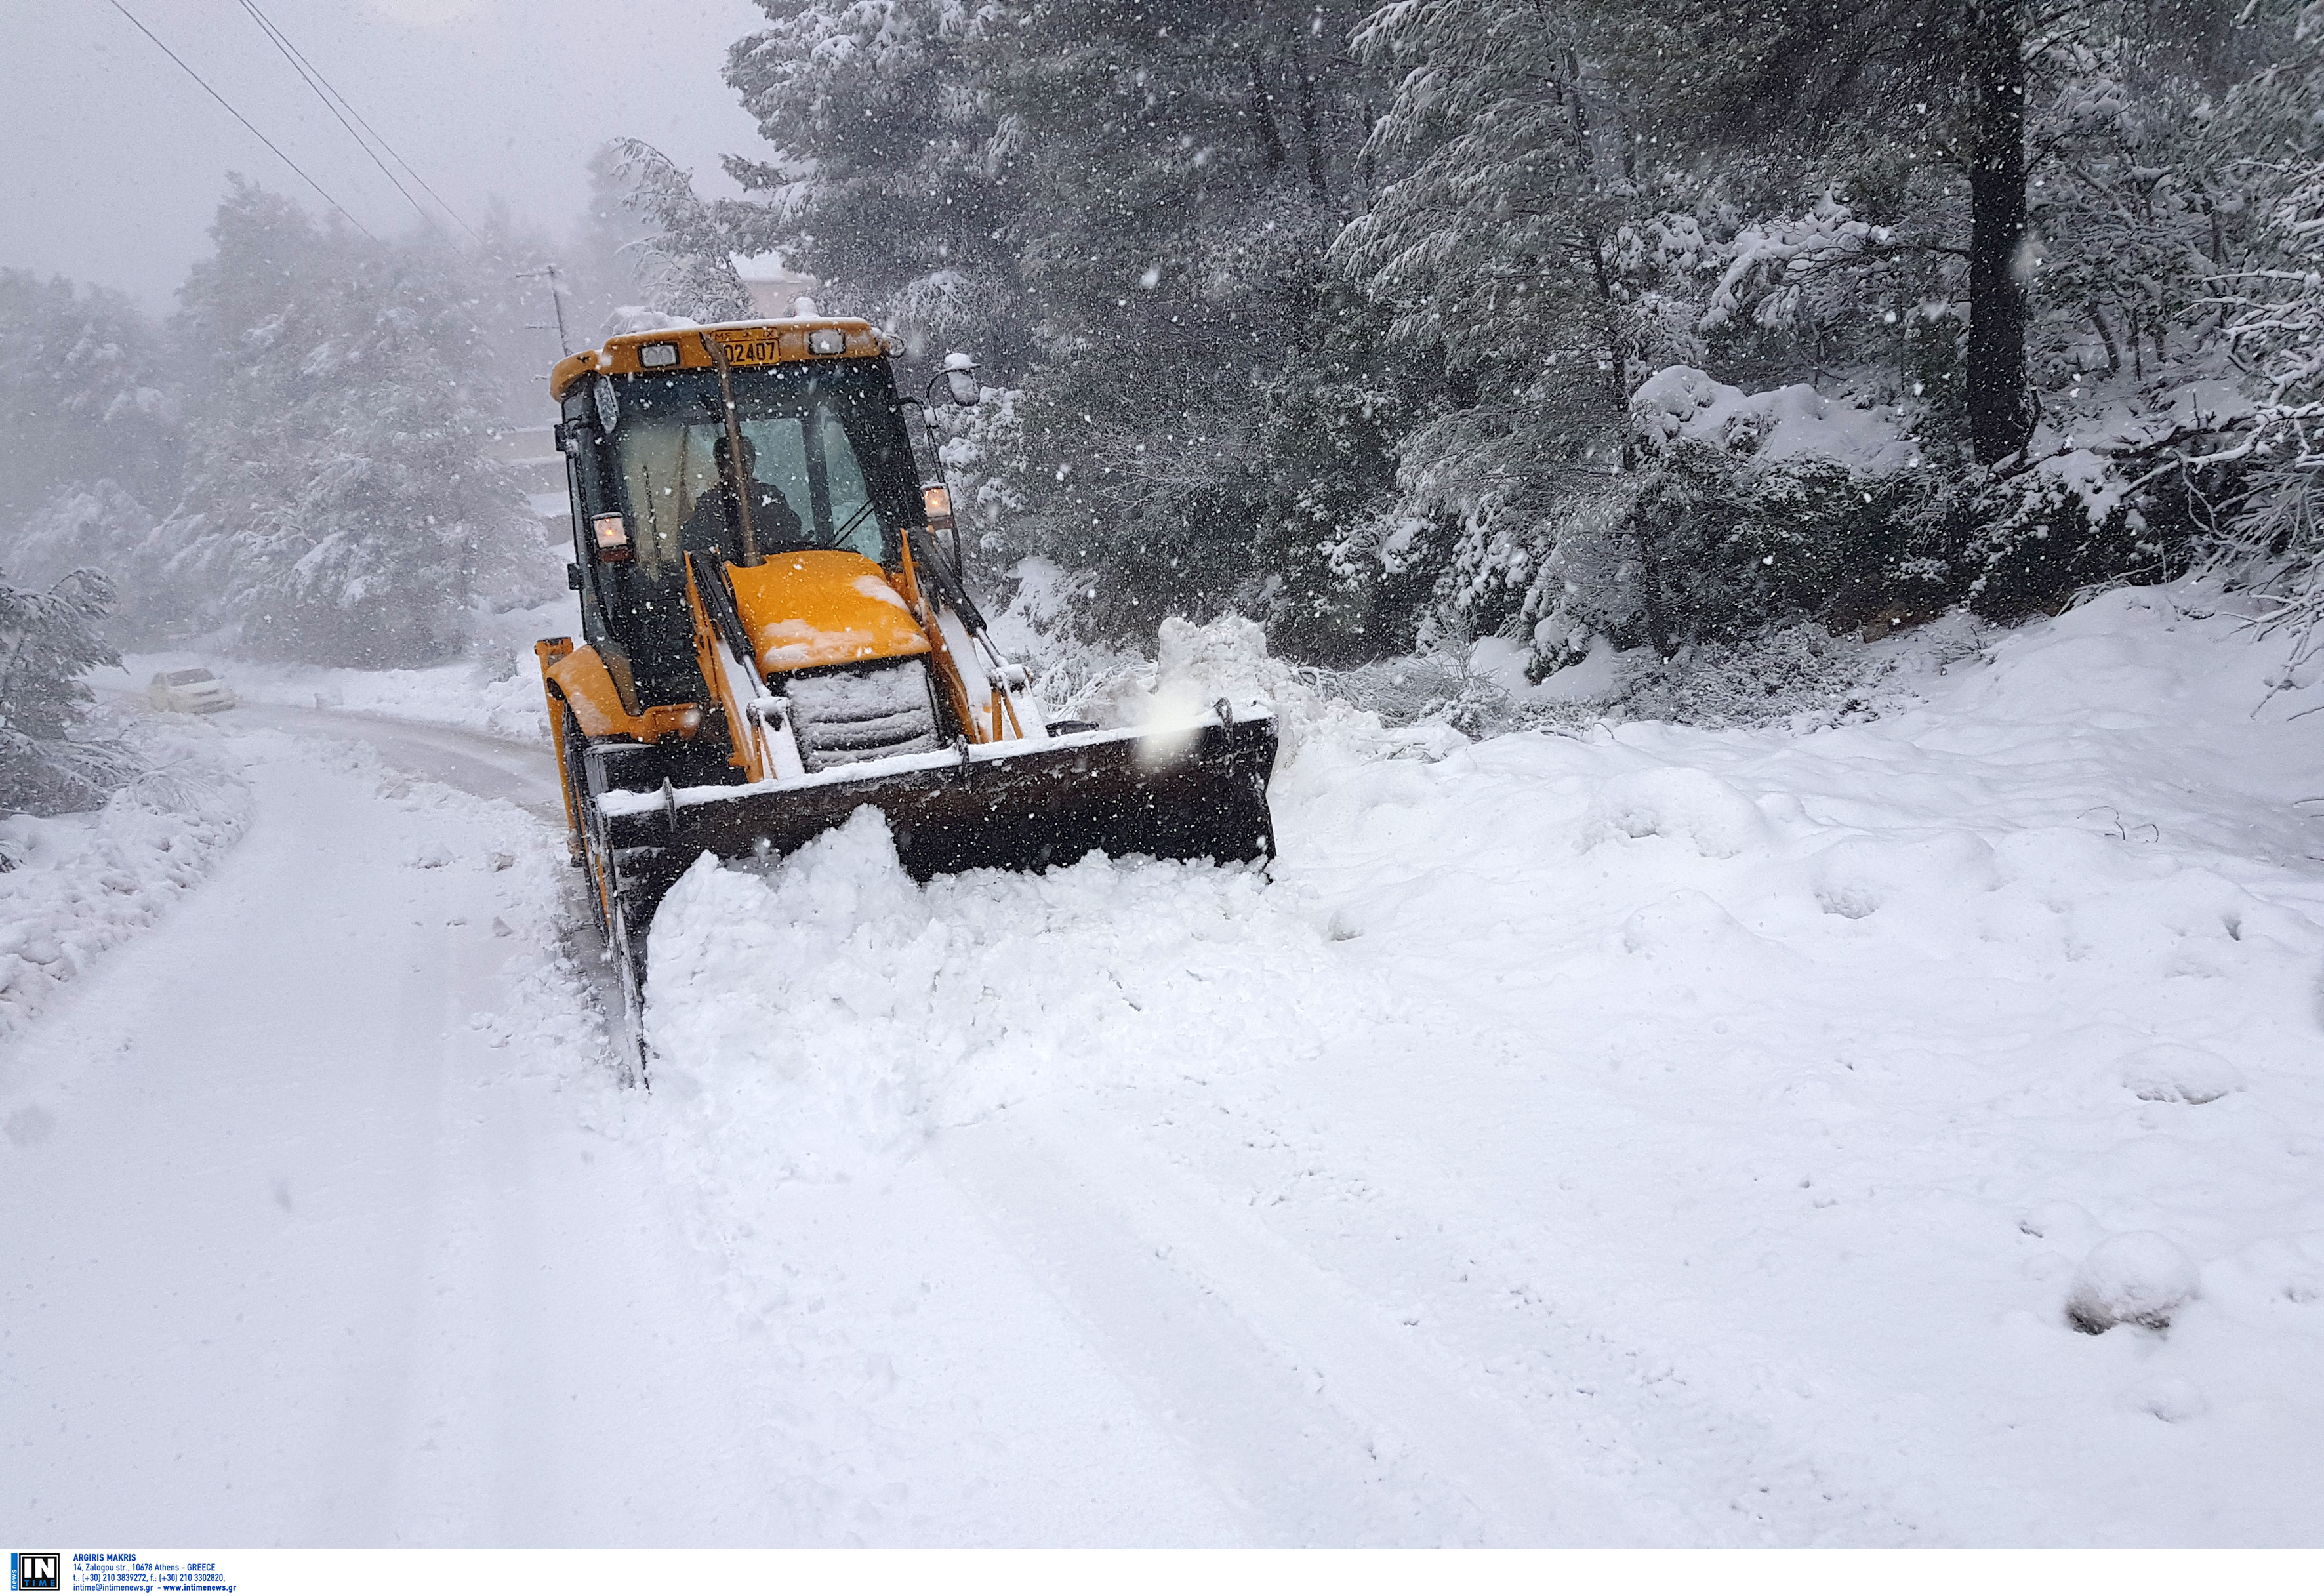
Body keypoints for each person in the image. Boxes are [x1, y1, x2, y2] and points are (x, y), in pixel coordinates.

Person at [680, 434, 812, 561]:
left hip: (776, 573)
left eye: (743, 462)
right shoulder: (708, 505)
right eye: (726, 463)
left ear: (752, 464)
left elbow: (792, 538)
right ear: (718, 466)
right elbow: (695, 550)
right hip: (728, 578)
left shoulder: (772, 497)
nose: (733, 470)